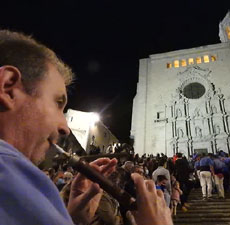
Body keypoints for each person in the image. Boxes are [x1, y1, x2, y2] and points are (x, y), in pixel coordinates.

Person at [0, 30, 173, 225]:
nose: (64, 127)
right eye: (58, 102)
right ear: (8, 87)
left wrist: (72, 218)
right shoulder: (12, 176)